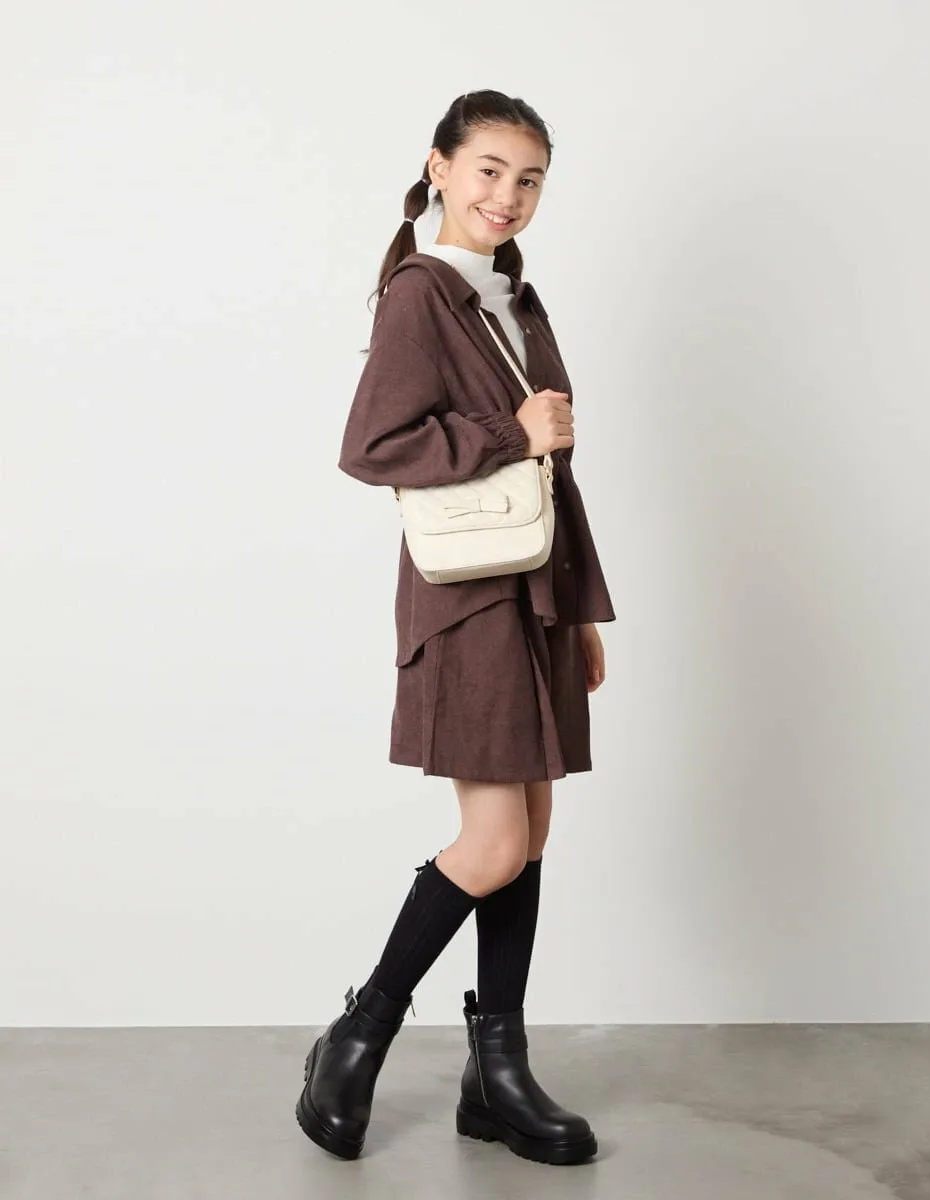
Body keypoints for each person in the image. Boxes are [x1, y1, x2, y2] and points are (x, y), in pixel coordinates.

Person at [295, 89, 616, 1167]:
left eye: (529, 179)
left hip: (535, 595)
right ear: (438, 168)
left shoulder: (514, 298)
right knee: (495, 842)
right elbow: (373, 445)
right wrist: (507, 429)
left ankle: (498, 1075)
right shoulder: (421, 295)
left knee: (532, 835)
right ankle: (357, 1037)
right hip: (470, 602)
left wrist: (579, 609)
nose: (507, 196)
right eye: (488, 170)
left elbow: (553, 475)